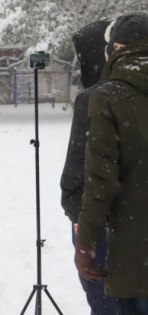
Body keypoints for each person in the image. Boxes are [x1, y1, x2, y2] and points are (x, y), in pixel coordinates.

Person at [75, 12, 148, 314]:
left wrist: (85, 245)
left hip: (135, 253)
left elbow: (99, 181)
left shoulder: (108, 98)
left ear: (117, 49)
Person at [60, 20, 118, 314]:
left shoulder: (93, 99)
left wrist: (79, 222)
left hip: (98, 221)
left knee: (104, 302)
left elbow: (74, 175)